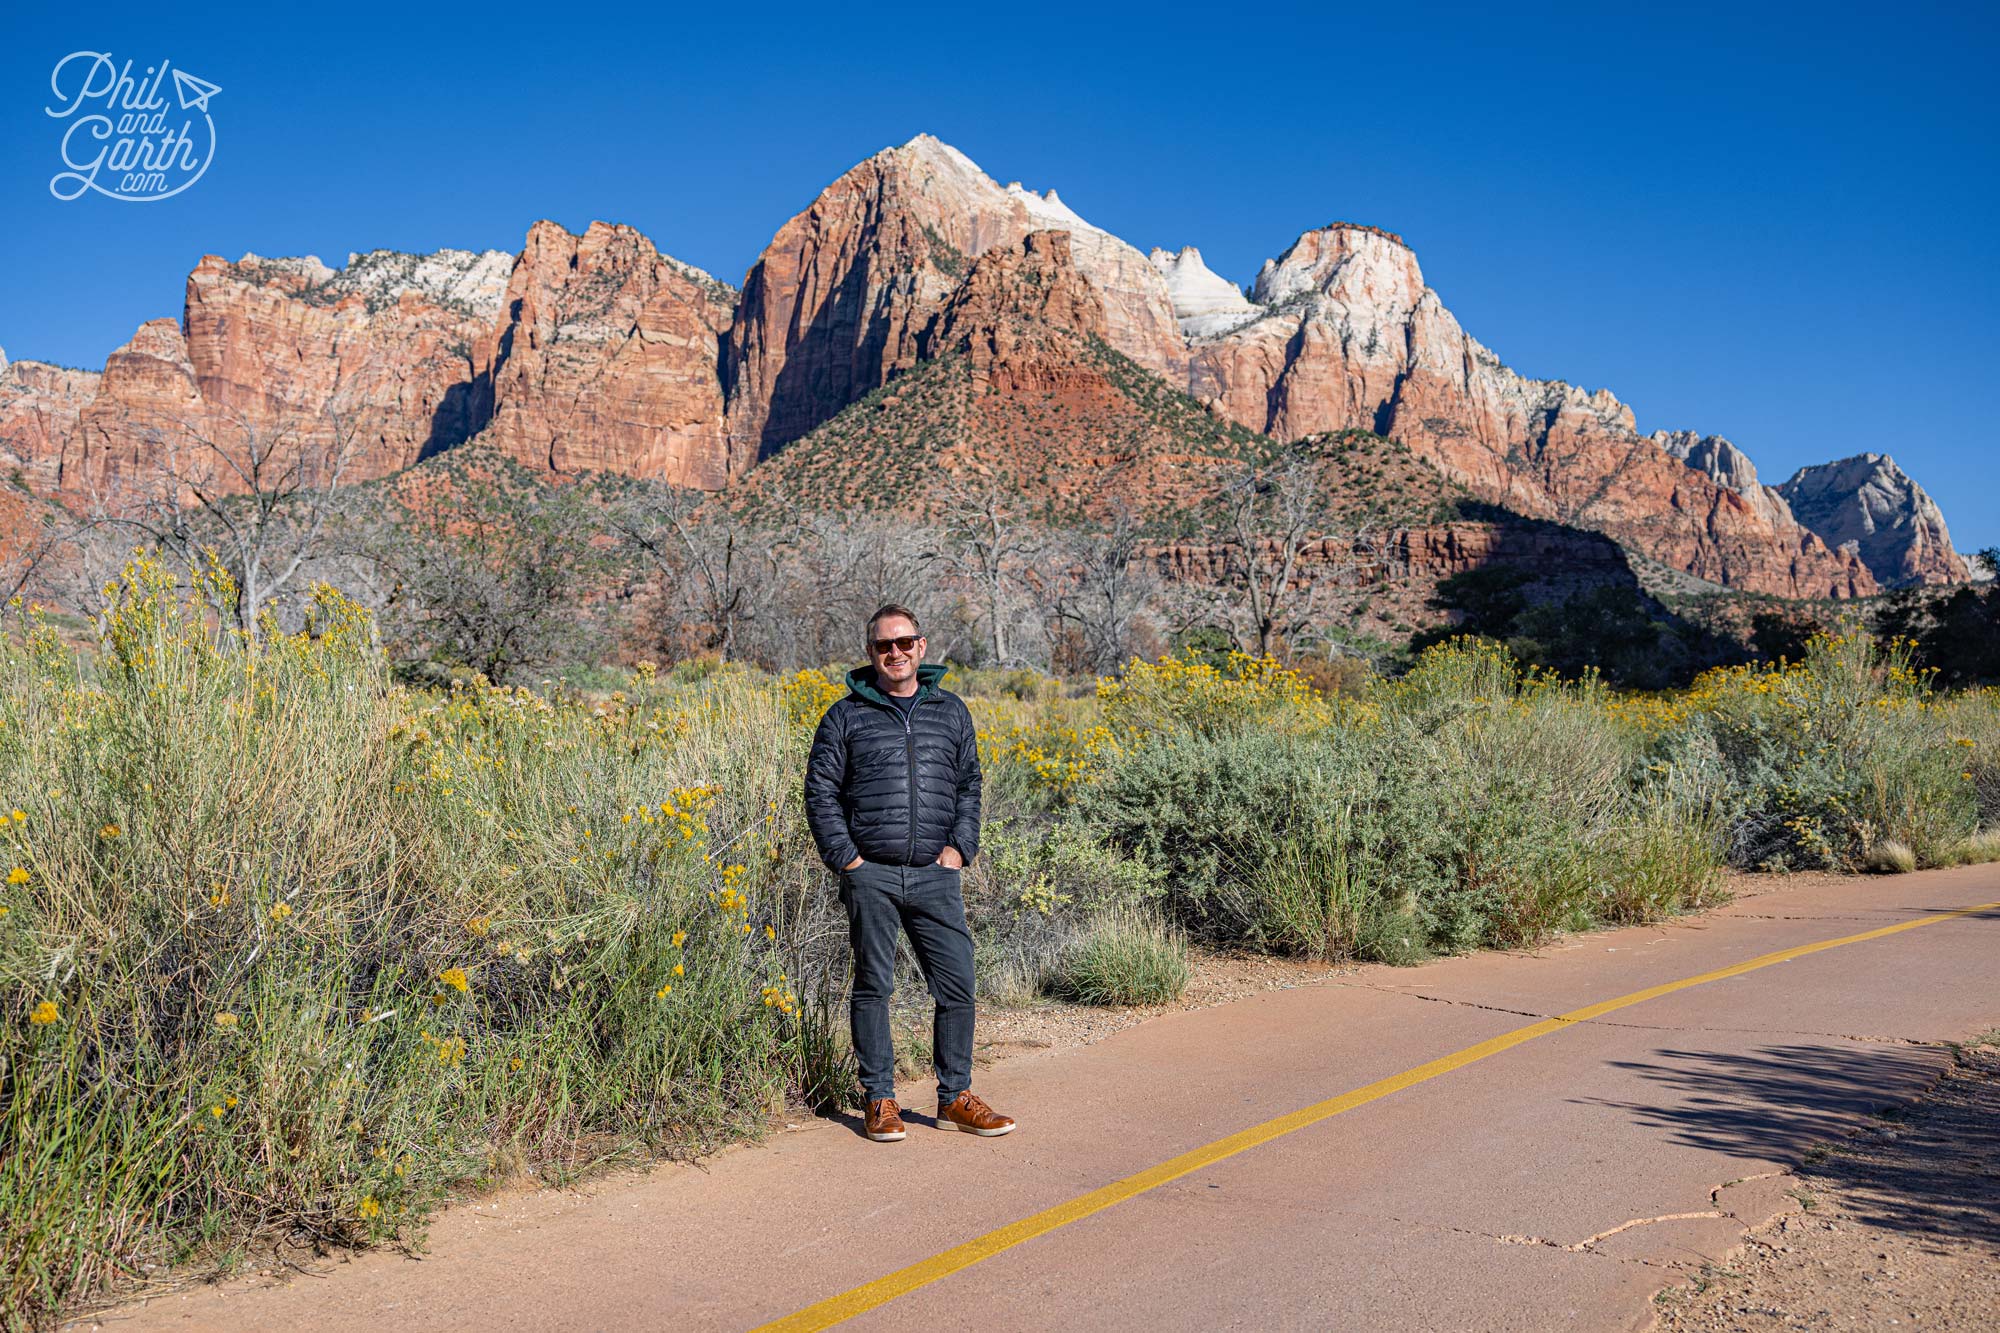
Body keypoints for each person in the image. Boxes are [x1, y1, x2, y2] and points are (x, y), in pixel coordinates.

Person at [804, 604, 1016, 1143]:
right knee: (874, 985)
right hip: (870, 873)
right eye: (883, 646)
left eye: (904, 642)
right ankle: (880, 1099)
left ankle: (955, 1098)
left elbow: (969, 784)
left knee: (958, 985)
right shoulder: (844, 717)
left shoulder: (950, 711)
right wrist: (848, 860)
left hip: (935, 873)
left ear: (922, 647)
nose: (895, 653)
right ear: (870, 653)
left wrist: (959, 849)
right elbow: (820, 794)